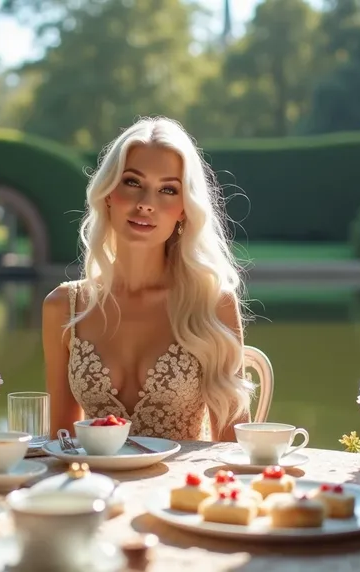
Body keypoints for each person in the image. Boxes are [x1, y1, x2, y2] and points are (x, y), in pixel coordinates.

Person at [43, 116, 253, 442]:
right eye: (132, 182)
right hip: (98, 490)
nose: (146, 204)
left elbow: (235, 449)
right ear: (108, 192)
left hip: (184, 491)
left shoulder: (213, 304)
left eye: (168, 189)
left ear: (184, 208)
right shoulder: (64, 307)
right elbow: (62, 441)